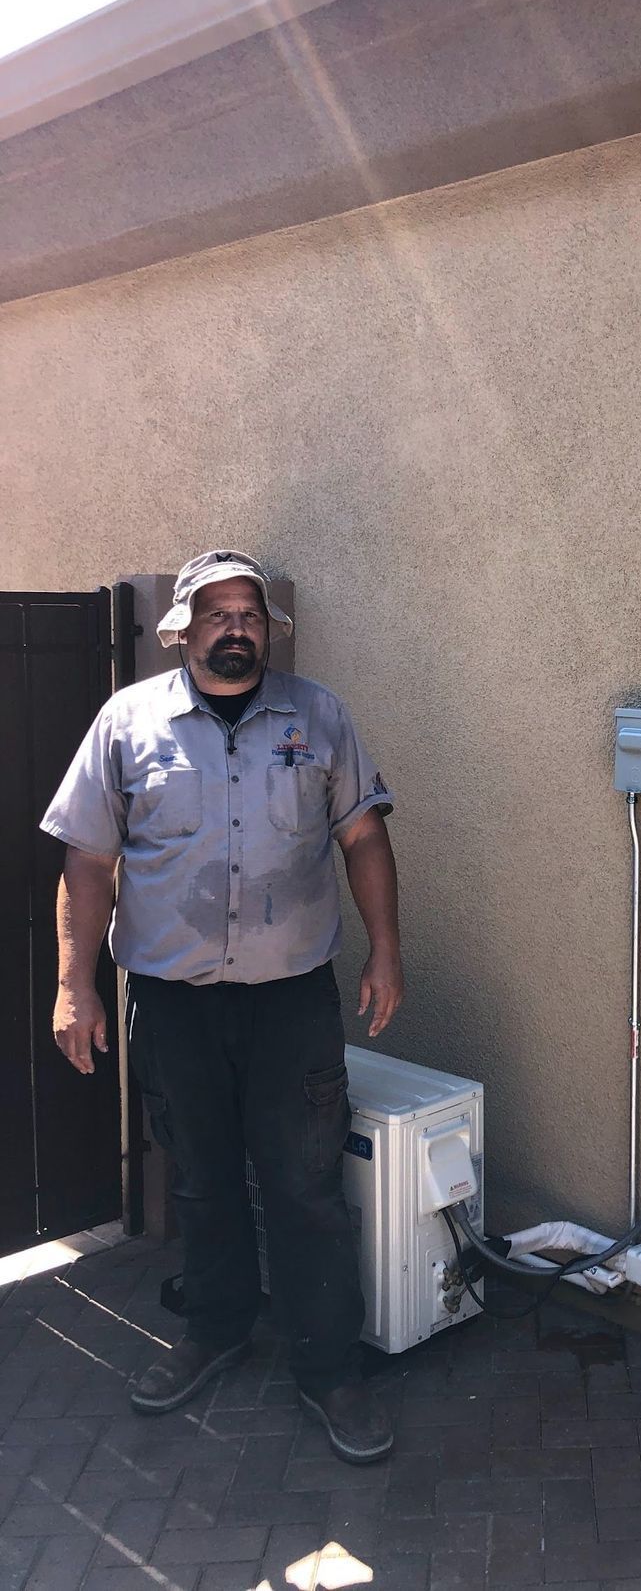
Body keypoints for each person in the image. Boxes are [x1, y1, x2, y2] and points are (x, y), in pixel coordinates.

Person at [41, 550, 403, 1464]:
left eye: (252, 614)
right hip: (174, 1004)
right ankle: (216, 1328)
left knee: (306, 1187)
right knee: (200, 1180)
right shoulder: (127, 722)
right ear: (182, 630)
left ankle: (330, 1371)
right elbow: (86, 861)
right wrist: (72, 982)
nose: (238, 627)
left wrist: (387, 952)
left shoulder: (319, 715)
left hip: (291, 1006)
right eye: (217, 613)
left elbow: (363, 835)